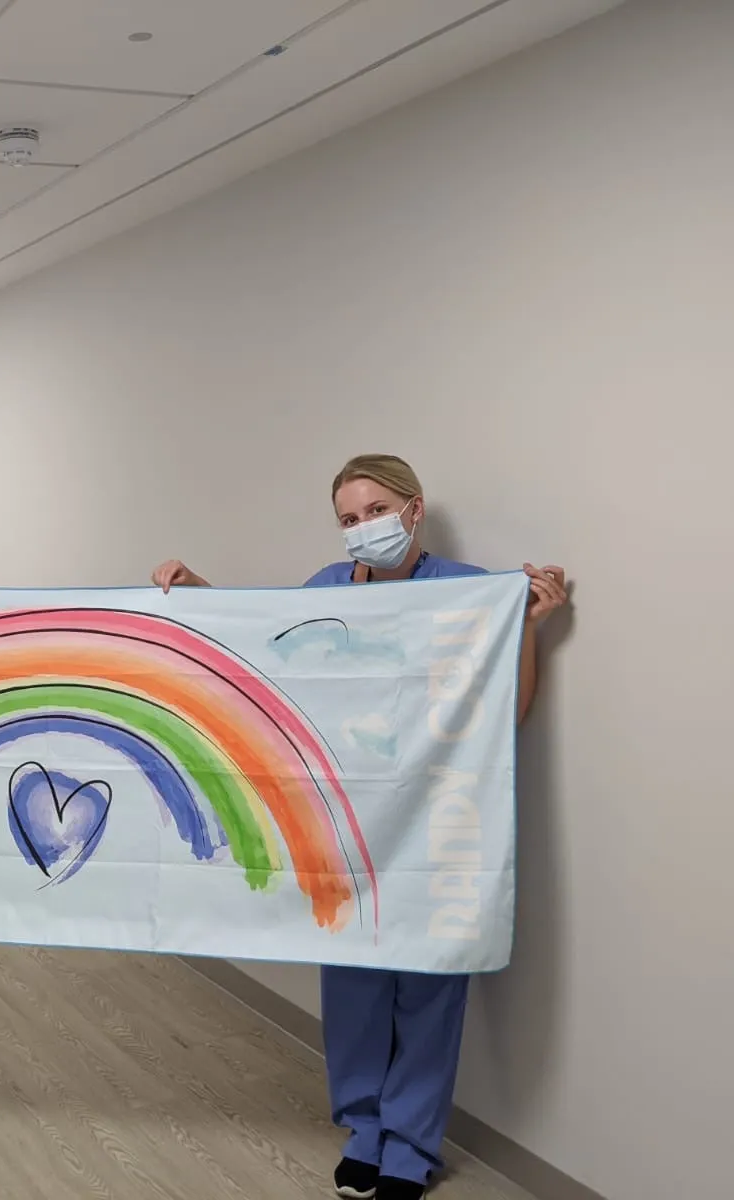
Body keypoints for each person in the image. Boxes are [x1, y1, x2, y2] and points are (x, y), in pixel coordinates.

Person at [151, 453, 567, 1200]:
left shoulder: (472, 595)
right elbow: (265, 651)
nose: (362, 528)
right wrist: (200, 596)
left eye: (375, 510)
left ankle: (409, 1146)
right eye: (348, 518)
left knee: (431, 986)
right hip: (345, 824)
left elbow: (509, 712)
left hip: (442, 824)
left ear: (414, 509)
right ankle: (366, 1129)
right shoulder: (328, 591)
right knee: (354, 986)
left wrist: (528, 626)